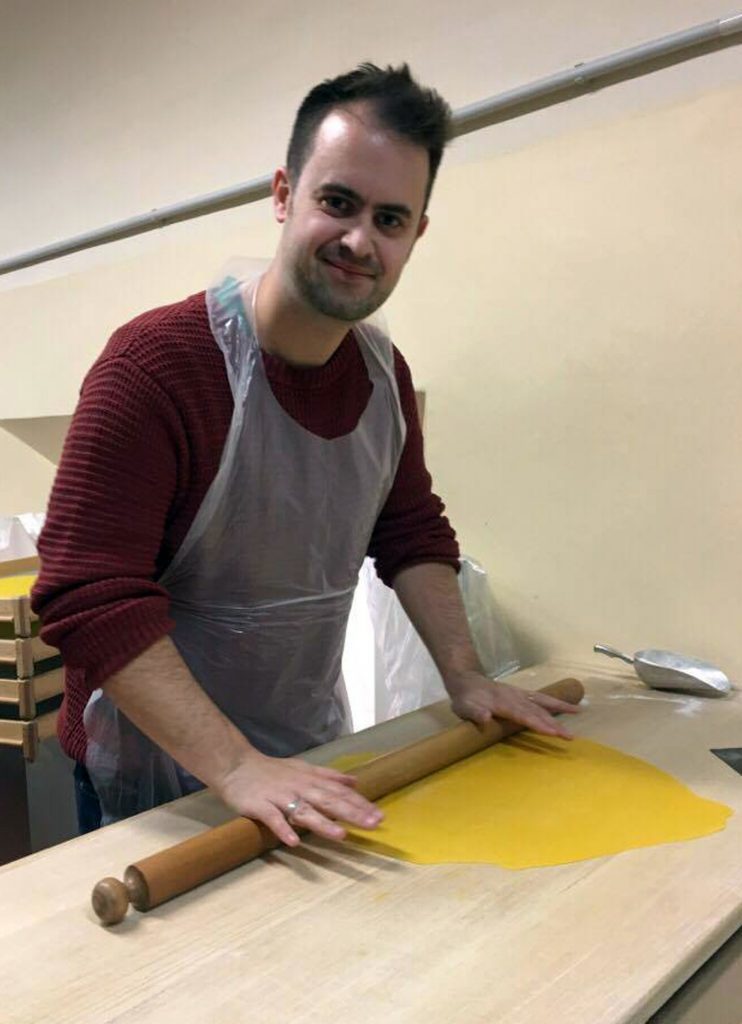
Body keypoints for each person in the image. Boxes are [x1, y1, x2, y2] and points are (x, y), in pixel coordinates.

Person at [32, 63, 577, 845]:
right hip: (155, 775)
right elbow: (89, 592)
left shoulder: (385, 379)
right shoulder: (155, 367)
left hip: (301, 752)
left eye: (391, 219)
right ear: (284, 195)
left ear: (416, 235)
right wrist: (235, 766)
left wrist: (467, 678)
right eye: (338, 203)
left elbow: (411, 532)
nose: (361, 240)